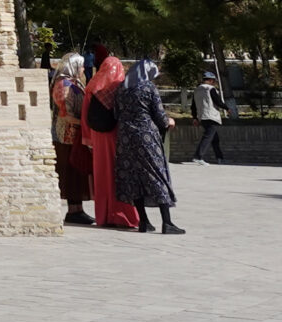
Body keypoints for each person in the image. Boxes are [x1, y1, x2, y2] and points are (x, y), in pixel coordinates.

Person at [114, 58, 185, 234]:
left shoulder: (121, 89)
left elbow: (116, 113)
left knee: (134, 177)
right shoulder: (148, 87)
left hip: (125, 138)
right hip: (146, 136)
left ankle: (143, 222)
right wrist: (169, 121)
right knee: (156, 175)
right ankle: (167, 222)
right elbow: (160, 117)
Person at [82, 46, 141, 231]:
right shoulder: (121, 87)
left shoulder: (92, 86)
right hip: (117, 136)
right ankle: (125, 216)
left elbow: (85, 115)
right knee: (120, 175)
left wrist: (88, 137)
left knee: (102, 176)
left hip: (98, 138)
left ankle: (104, 215)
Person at [50, 53, 94, 225]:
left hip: (75, 134)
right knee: (70, 172)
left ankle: (78, 209)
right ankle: (73, 210)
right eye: (81, 65)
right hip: (66, 136)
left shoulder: (73, 82)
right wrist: (83, 124)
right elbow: (66, 114)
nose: (83, 69)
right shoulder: (64, 84)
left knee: (76, 172)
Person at [190, 70, 232, 163]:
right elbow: (217, 101)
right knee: (208, 137)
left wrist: (195, 117)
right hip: (211, 116)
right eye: (214, 81)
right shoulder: (210, 89)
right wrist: (227, 108)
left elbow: (193, 106)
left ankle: (219, 158)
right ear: (211, 80)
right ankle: (198, 157)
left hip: (202, 117)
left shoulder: (197, 90)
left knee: (214, 138)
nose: (214, 83)